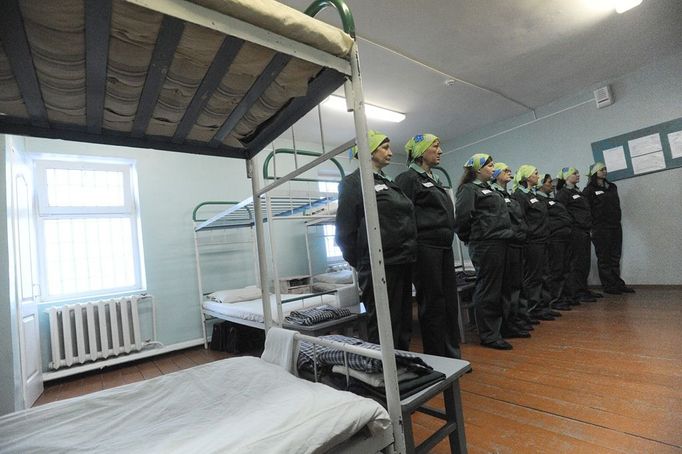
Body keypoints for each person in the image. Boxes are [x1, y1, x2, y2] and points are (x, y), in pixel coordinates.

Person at [335, 130, 417, 350]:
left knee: (403, 321)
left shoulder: (388, 182)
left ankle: (404, 368)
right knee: (383, 323)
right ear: (369, 150)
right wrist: (363, 261)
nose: (390, 152)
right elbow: (344, 231)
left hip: (402, 259)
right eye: (385, 147)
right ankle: (383, 376)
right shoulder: (353, 183)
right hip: (377, 263)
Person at [395, 134, 460, 358]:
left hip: (443, 246)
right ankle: (437, 355)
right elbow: (402, 216)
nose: (440, 150)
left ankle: (452, 353)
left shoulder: (433, 179)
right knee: (433, 301)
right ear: (422, 151)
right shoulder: (408, 178)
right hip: (425, 247)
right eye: (435, 146)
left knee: (448, 300)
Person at [454, 153, 514, 350]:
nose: (493, 168)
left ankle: (502, 328)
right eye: (489, 165)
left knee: (502, 287)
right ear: (477, 170)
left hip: (500, 240)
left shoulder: (488, 189)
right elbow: (462, 217)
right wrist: (470, 238)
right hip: (485, 243)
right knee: (489, 288)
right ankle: (489, 335)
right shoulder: (468, 189)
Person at [490, 163, 532, 337]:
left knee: (518, 284)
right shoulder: (494, 194)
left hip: (518, 243)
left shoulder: (509, 194)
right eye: (505, 170)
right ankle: (508, 323)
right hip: (508, 243)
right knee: (509, 287)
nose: (510, 173)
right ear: (497, 174)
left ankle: (517, 319)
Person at [512, 165, 556, 322]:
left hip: (543, 239)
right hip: (532, 241)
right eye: (535, 174)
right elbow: (520, 219)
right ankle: (533, 308)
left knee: (544, 274)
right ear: (527, 177)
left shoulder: (533, 194)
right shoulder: (519, 195)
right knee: (534, 276)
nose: (538, 176)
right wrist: (528, 234)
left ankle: (544, 306)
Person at [583, 162, 634, 294]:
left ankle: (617, 283)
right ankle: (609, 285)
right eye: (601, 169)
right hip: (600, 228)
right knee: (604, 257)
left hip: (615, 226)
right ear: (594, 172)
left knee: (615, 256)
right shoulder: (589, 190)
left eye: (605, 169)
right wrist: (591, 228)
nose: (604, 171)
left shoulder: (612, 187)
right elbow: (586, 210)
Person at [555, 167, 599, 304]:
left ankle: (583, 288)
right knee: (576, 263)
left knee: (584, 262)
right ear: (567, 177)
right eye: (574, 173)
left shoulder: (577, 191)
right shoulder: (563, 193)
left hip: (584, 230)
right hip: (575, 231)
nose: (578, 175)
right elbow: (561, 212)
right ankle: (575, 291)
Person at [536, 174, 573, 311]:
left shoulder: (551, 199)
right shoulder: (539, 200)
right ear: (541, 184)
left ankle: (564, 296)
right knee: (556, 269)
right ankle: (555, 299)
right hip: (554, 238)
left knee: (565, 268)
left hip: (564, 237)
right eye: (549, 182)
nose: (552, 185)